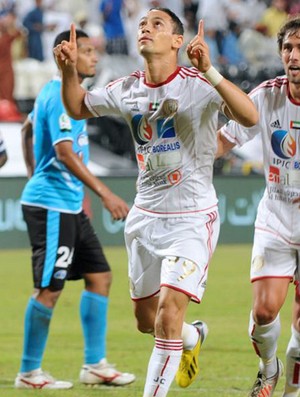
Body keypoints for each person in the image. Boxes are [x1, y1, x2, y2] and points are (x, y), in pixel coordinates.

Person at [54, 7, 258, 396]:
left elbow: (249, 116)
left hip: (191, 217)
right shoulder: (127, 87)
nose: (146, 28)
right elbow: (78, 106)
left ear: (177, 41)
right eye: (143, 24)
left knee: (166, 315)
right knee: (147, 321)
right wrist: (67, 71)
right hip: (145, 217)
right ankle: (191, 338)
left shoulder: (199, 85)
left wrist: (211, 71)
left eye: (157, 24)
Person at [15, 28, 136, 389]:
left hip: (65, 203)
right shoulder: (58, 95)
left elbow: (25, 130)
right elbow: (65, 152)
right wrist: (105, 195)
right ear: (65, 55)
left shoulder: (70, 97)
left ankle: (94, 365)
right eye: (86, 51)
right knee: (50, 289)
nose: (94, 57)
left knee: (100, 276)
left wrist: (32, 172)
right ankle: (29, 372)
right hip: (52, 205)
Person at [217, 14, 300, 397]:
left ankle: (292, 389)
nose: (294, 56)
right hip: (277, 219)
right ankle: (269, 366)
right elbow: (224, 139)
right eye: (288, 48)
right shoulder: (267, 96)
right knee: (264, 313)